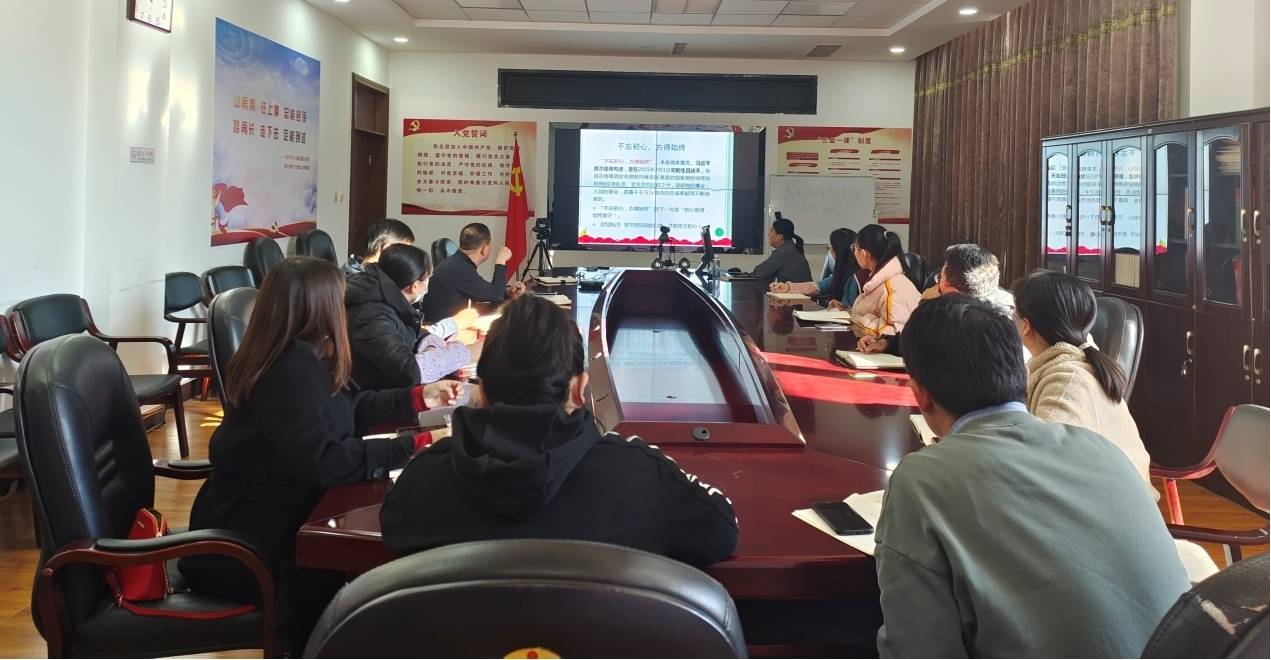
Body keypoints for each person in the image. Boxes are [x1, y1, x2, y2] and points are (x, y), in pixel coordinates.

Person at [875, 295, 1189, 658]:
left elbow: (918, 649)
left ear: (920, 395)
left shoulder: (920, 481)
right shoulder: (1102, 449)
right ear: (1022, 373)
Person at [179, 257, 463, 653]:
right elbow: (324, 461)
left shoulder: (302, 355)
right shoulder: (289, 368)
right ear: (321, 307)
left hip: (274, 518)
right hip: (253, 546)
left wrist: (418, 397)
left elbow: (351, 406)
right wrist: (417, 445)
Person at [381, 295, 740, 567]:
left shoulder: (421, 481)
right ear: (579, 389)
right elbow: (721, 530)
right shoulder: (640, 474)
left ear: (482, 390)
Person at [1013, 270, 1153, 490]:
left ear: (1025, 325)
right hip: (1102, 496)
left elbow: (1039, 462)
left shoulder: (1067, 382)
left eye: (1014, 312)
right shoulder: (1070, 363)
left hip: (1109, 504)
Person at [345, 244, 473, 390]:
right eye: (428, 278)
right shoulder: (372, 315)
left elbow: (410, 332)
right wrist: (462, 352)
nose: (428, 284)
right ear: (415, 286)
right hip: (374, 394)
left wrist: (430, 345)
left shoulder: (388, 296)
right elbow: (409, 372)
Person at [860, 242, 1011, 355]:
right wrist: (887, 343)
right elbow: (922, 338)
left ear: (952, 292)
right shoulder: (1006, 312)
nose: (936, 285)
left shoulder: (978, 333)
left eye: (939, 278)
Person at [421, 222, 526, 322]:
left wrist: (508, 292)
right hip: (444, 328)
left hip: (449, 321)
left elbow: (486, 292)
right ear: (484, 249)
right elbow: (497, 295)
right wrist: (501, 261)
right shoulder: (460, 268)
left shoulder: (457, 263)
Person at [849, 224, 920, 351]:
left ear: (863, 253)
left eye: (854, 248)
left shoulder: (891, 288)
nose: (853, 252)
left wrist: (857, 319)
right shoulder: (878, 280)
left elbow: (894, 333)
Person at [768, 228, 862, 308]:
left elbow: (849, 308)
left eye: (829, 247)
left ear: (838, 251)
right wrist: (787, 287)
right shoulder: (842, 272)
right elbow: (819, 286)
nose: (829, 250)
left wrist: (842, 308)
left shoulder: (856, 277)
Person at [342, 217, 415, 277]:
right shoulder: (360, 282)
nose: (406, 257)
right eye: (404, 251)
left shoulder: (354, 268)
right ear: (387, 249)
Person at [750, 217, 813, 283]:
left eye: (771, 231)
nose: (768, 234)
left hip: (797, 290)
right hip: (800, 289)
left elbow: (760, 272)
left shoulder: (783, 252)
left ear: (780, 236)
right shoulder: (791, 247)